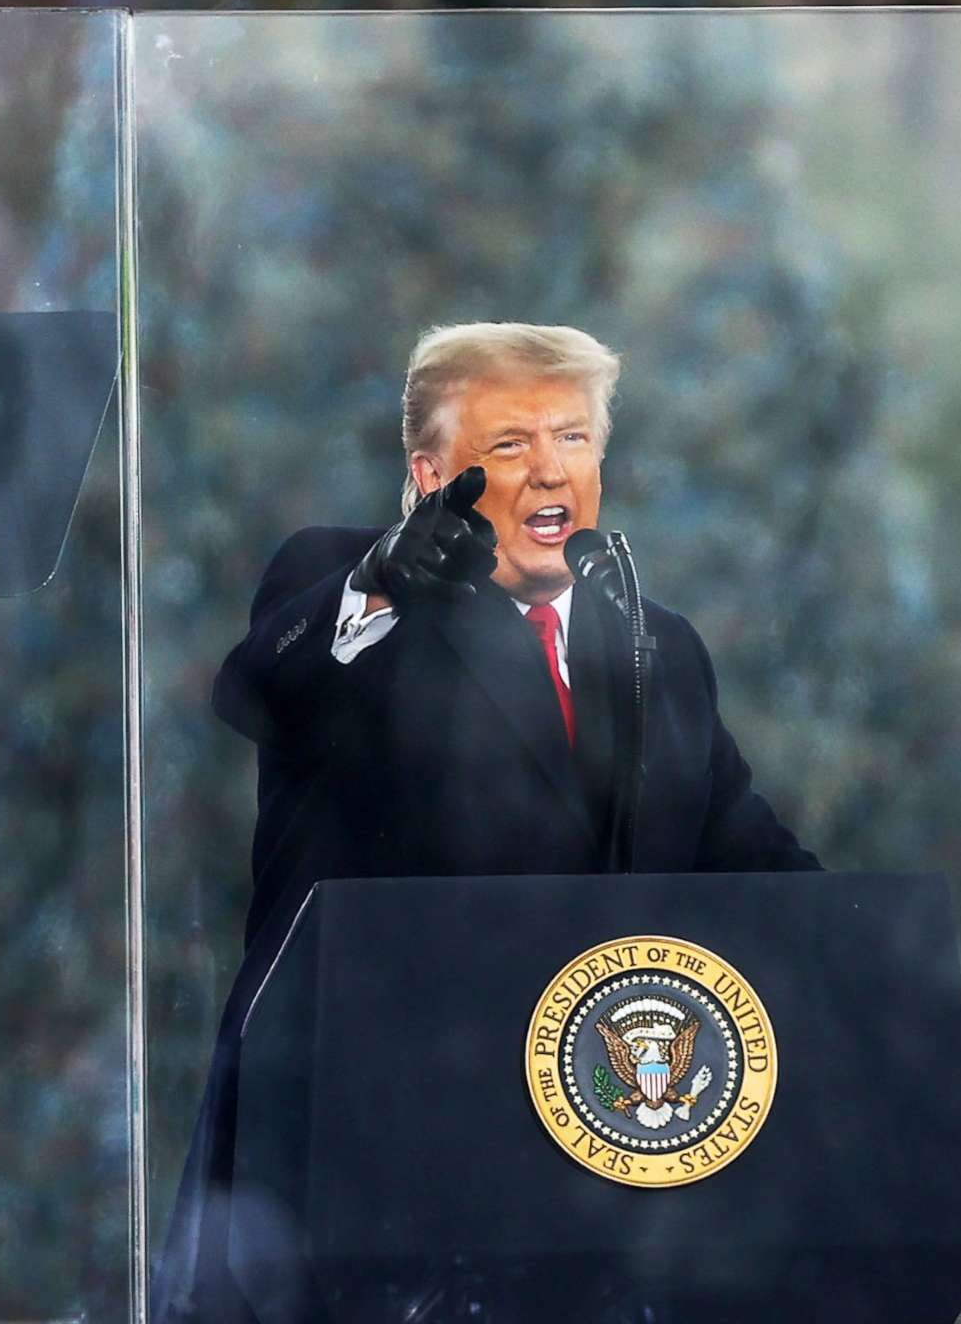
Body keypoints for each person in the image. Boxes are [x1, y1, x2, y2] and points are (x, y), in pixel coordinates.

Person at [156, 321, 818, 1324]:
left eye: (574, 438)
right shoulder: (349, 587)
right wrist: (381, 576)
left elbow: (741, 846)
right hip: (360, 1154)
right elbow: (258, 691)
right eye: (510, 445)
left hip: (594, 1168)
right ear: (431, 475)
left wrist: (857, 949)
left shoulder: (655, 644)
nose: (550, 470)